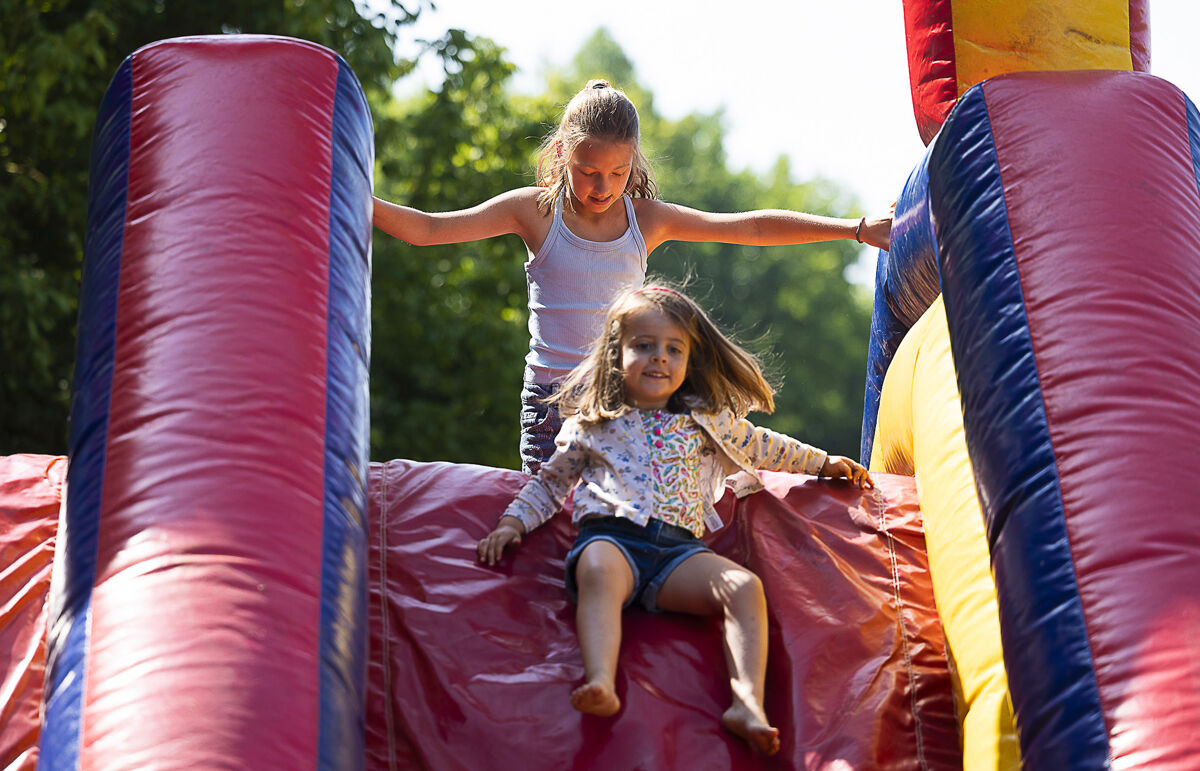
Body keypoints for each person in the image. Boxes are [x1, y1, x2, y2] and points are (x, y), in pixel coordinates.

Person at [374, 79, 891, 474]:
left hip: (628, 400)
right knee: (548, 525)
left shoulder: (644, 219)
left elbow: (750, 228)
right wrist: (360, 197)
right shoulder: (534, 212)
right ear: (562, 154)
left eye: (618, 173)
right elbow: (427, 229)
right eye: (589, 171)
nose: (603, 186)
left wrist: (855, 229)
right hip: (555, 405)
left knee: (626, 519)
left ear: (633, 164)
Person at [475, 283, 873, 755]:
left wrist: (824, 463)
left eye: (673, 349)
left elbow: (763, 445)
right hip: (613, 539)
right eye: (643, 346)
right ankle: (600, 679)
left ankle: (746, 702)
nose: (658, 358)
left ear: (689, 360)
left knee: (743, 587)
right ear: (615, 354)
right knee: (597, 571)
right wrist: (511, 523)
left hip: (677, 554)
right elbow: (549, 484)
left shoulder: (703, 419)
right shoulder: (592, 425)